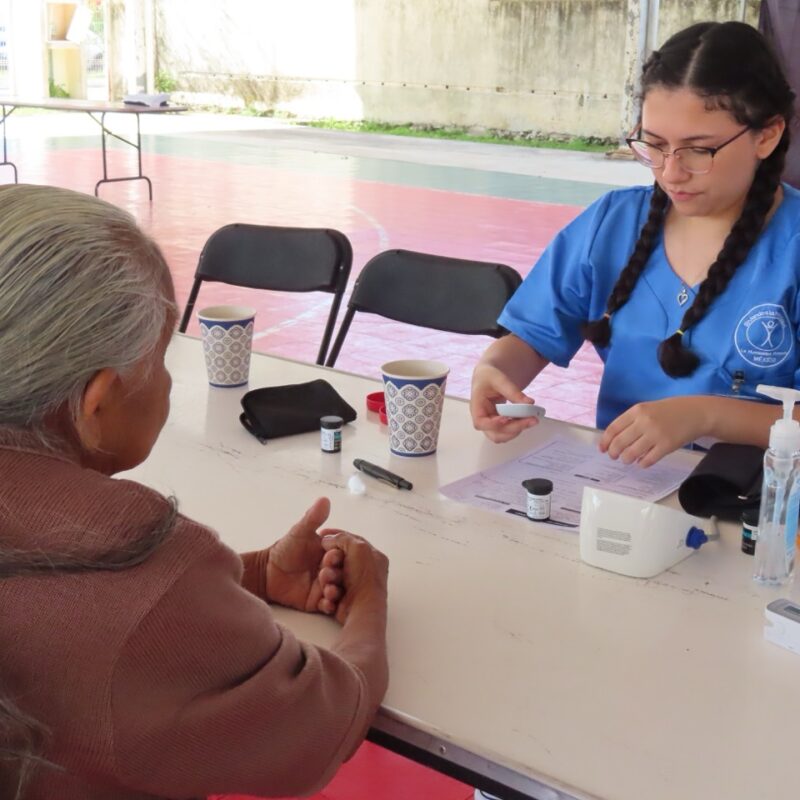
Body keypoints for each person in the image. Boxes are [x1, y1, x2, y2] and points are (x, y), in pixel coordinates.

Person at [0, 183, 389, 800]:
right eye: (159, 359)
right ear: (94, 405)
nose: (166, 381)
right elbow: (319, 723)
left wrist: (250, 574)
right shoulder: (138, 571)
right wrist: (368, 601)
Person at [471, 21, 800, 467]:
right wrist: (495, 371)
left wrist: (706, 415)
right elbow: (533, 334)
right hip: (622, 491)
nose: (670, 172)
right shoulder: (614, 223)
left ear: (767, 135)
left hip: (756, 508)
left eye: (699, 150)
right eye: (655, 145)